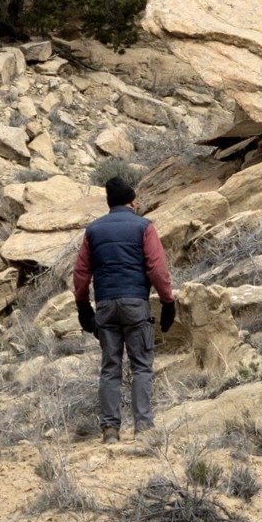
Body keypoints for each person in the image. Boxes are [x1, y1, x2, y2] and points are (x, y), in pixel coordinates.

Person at [72, 174, 176, 444]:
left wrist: (83, 306)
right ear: (132, 202)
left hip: (105, 305)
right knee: (141, 366)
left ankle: (110, 430)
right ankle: (143, 427)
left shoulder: (93, 230)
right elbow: (157, 268)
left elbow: (81, 273)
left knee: (110, 368)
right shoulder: (144, 227)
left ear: (110, 203)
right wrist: (168, 302)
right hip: (135, 304)